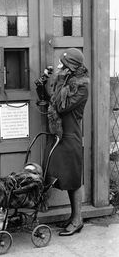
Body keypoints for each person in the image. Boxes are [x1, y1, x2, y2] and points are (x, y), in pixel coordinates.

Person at [42, 48, 89, 236]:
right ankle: (73, 216)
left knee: (74, 179)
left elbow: (61, 107)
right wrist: (47, 80)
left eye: (63, 63)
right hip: (59, 136)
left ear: (70, 67)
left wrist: (58, 79)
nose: (60, 66)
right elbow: (50, 98)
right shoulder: (67, 81)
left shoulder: (81, 87)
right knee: (65, 177)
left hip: (71, 137)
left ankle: (78, 220)